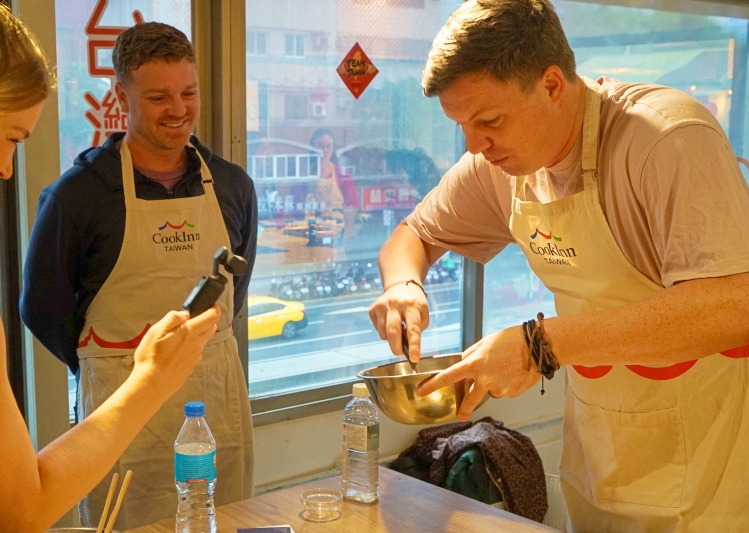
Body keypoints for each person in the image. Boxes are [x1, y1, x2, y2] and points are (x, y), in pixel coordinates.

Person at [368, 0, 749, 531]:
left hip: (707, 468)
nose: (475, 145)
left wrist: (537, 345)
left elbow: (731, 306)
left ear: (551, 85)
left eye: (489, 121)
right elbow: (413, 235)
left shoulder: (665, 139)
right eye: (461, 125)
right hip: (600, 457)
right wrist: (403, 284)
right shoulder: (498, 165)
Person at [0, 2, 220, 532]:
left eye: (187, 93)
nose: (7, 170)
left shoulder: (231, 183)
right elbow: (16, 511)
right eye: (12, 138)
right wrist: (147, 376)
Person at [19, 22, 257, 530]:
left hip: (215, 396)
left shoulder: (234, 187)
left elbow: (235, 292)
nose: (178, 109)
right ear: (120, 94)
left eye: (188, 92)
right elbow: (42, 309)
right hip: (120, 405)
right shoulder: (78, 197)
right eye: (158, 97)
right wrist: (107, 359)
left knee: (225, 518)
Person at [309, 128, 358, 237]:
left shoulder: (342, 173)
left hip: (337, 229)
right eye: (319, 146)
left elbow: (352, 204)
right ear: (312, 147)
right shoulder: (305, 174)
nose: (324, 150)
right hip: (312, 230)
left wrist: (348, 228)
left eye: (328, 146)